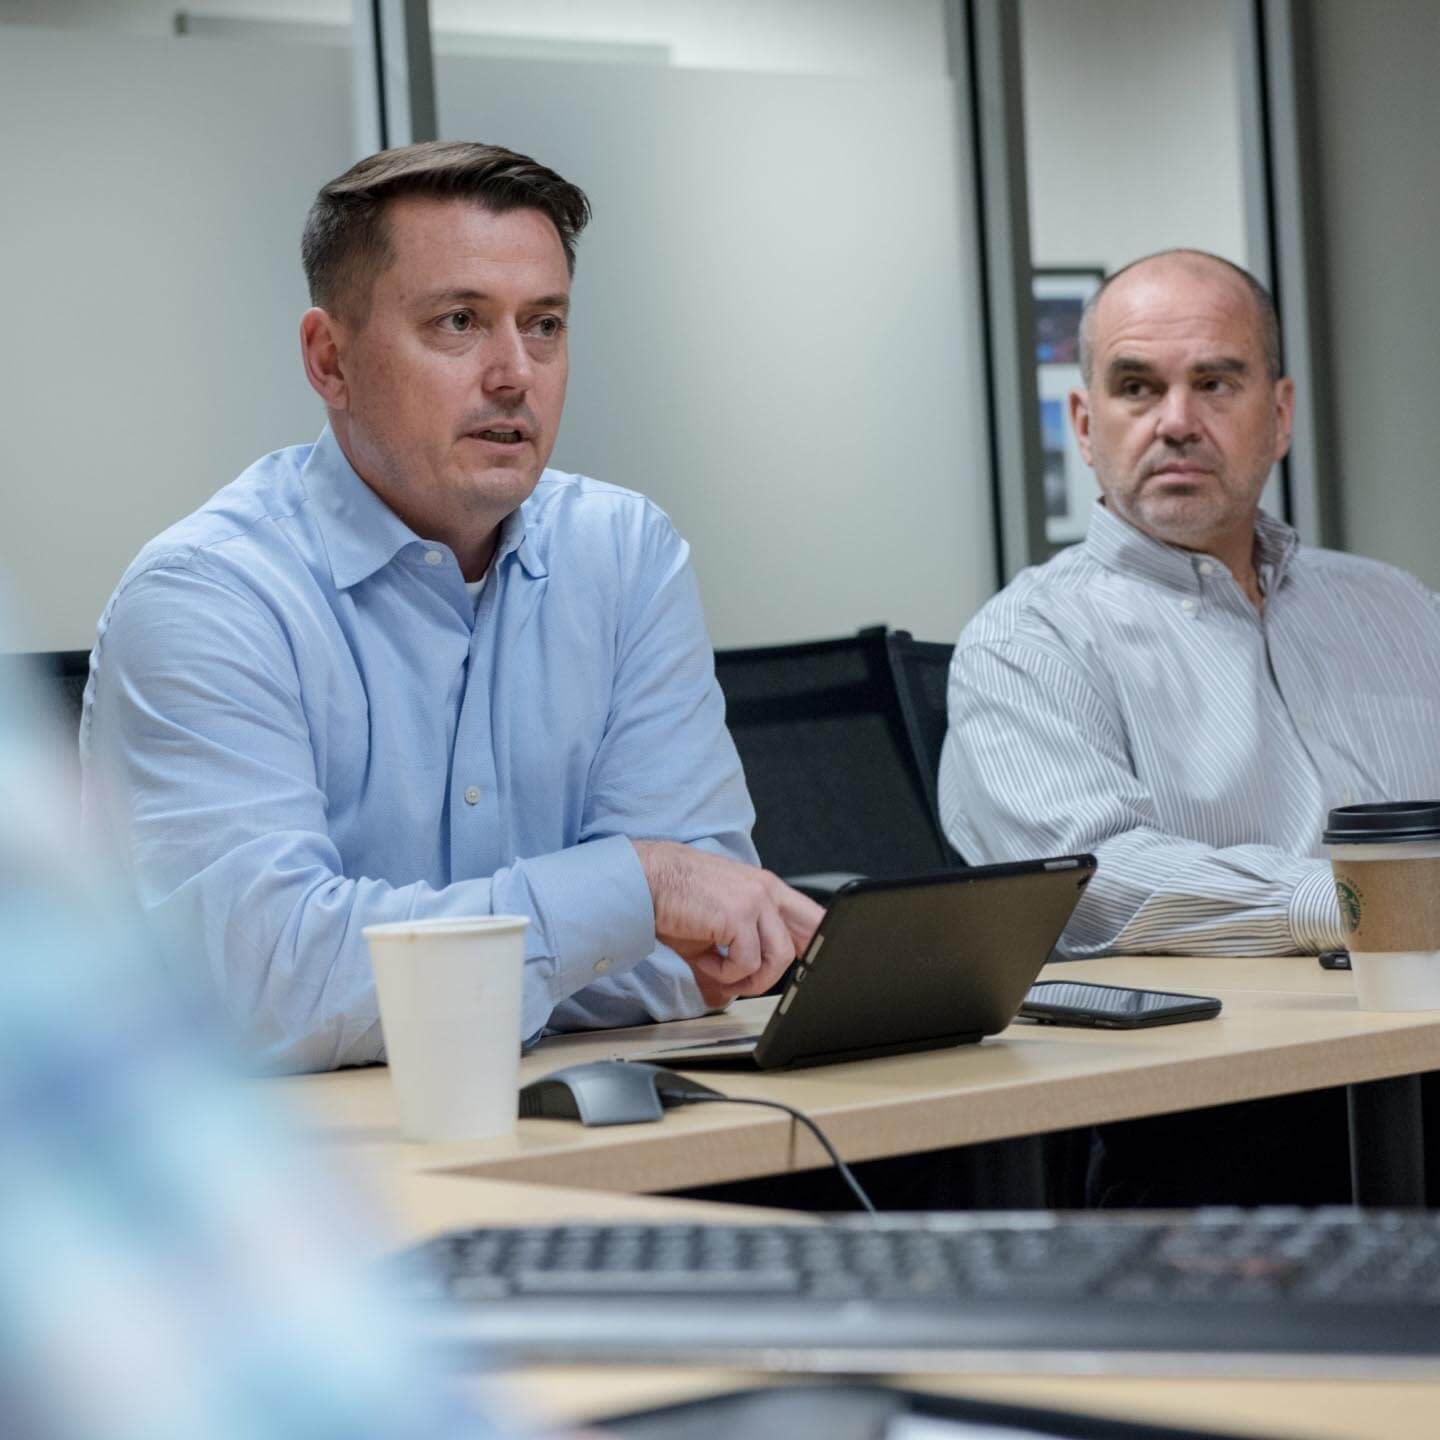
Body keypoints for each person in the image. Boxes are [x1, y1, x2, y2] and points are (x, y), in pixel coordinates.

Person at [83, 141, 822, 1074]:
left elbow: (709, 953)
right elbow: (267, 991)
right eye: (460, 322)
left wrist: (444, 967)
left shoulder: (627, 554)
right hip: (303, 1186)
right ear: (330, 360)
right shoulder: (209, 597)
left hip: (581, 1145)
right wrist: (629, 893)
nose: (515, 372)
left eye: (544, 324)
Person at [940, 249, 1440, 1206]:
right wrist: (1362, 903)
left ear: (1280, 414)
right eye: (1138, 387)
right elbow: (1084, 885)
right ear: (1085, 425)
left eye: (1216, 382)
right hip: (1225, 1122)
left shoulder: (1401, 611)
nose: (1177, 421)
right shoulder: (1029, 640)